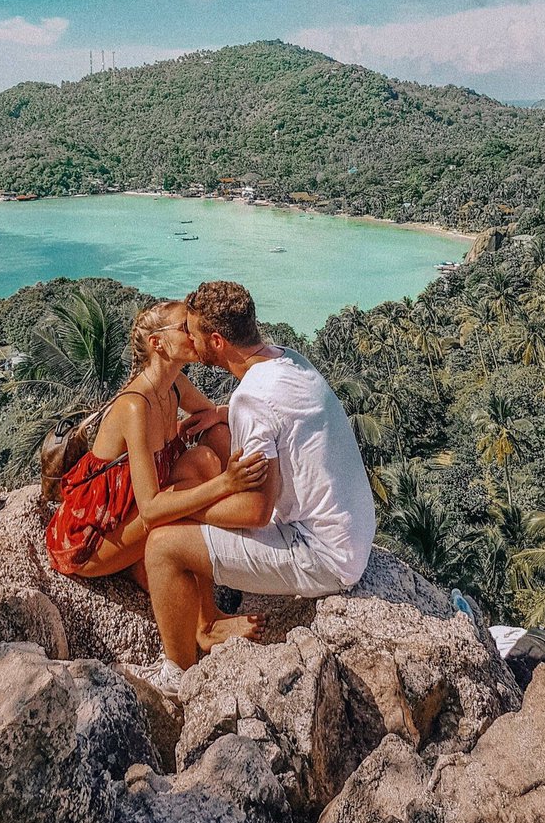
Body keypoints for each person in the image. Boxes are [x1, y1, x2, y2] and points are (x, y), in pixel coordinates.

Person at [135, 281, 376, 697]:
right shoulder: (289, 360)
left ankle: (176, 675)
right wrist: (222, 414)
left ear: (216, 341)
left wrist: (184, 509)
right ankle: (204, 622)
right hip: (353, 530)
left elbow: (255, 512)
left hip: (324, 554)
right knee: (222, 447)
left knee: (161, 546)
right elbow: (280, 414)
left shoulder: (254, 399)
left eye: (193, 332)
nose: (188, 340)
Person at [45, 299, 268, 651]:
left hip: (128, 516)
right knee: (179, 509)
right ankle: (206, 624)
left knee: (210, 448)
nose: (195, 333)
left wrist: (220, 415)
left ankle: (192, 554)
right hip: (94, 535)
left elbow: (209, 414)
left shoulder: (174, 385)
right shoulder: (136, 405)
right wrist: (225, 484)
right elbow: (150, 510)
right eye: (185, 327)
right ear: (157, 344)